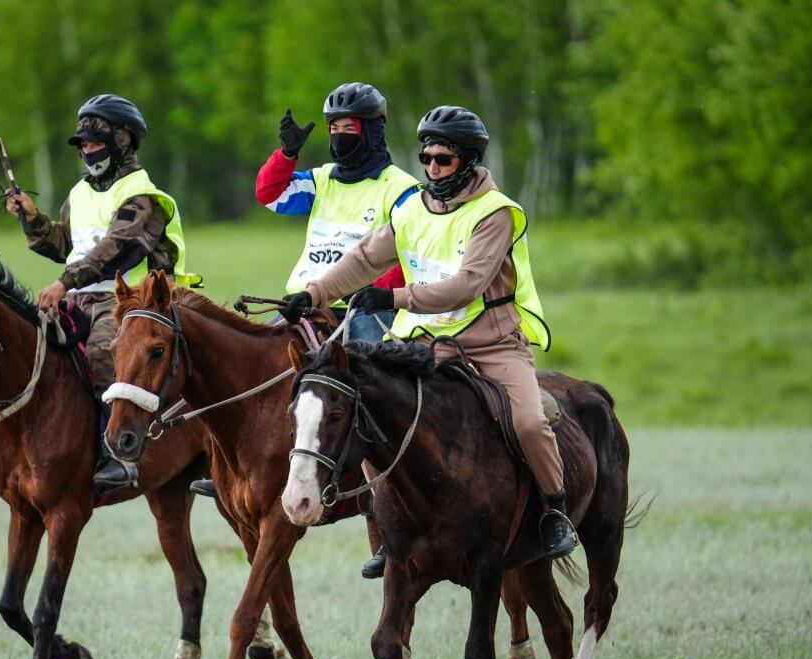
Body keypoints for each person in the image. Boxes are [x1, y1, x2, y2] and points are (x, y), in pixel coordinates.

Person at [281, 105, 578, 568]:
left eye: (443, 160)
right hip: (423, 345)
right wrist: (312, 293)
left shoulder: (495, 213)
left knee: (529, 423)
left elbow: (467, 285)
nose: (432, 168)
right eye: (427, 159)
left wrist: (393, 298)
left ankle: (554, 510)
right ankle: (388, 530)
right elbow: (362, 260)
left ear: (468, 161)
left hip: (492, 345)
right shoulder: (414, 207)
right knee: (369, 408)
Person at [189, 82, 420, 515]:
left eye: (347, 127)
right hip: (303, 303)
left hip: (363, 309)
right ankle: (230, 470)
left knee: (368, 393)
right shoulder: (322, 181)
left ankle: (381, 494)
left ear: (371, 131)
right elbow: (270, 194)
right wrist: (286, 155)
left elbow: (405, 253)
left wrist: (376, 294)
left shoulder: (402, 189)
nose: (337, 135)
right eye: (332, 128)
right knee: (246, 372)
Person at [0, 93, 200, 497]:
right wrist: (32, 220)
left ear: (123, 140)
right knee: (22, 348)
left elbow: (115, 250)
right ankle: (18, 459)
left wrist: (63, 284)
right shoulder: (80, 193)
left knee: (100, 351)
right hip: (80, 299)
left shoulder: (143, 196)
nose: (87, 150)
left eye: (94, 142)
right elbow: (67, 246)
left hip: (136, 304)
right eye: (83, 144)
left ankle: (119, 458)